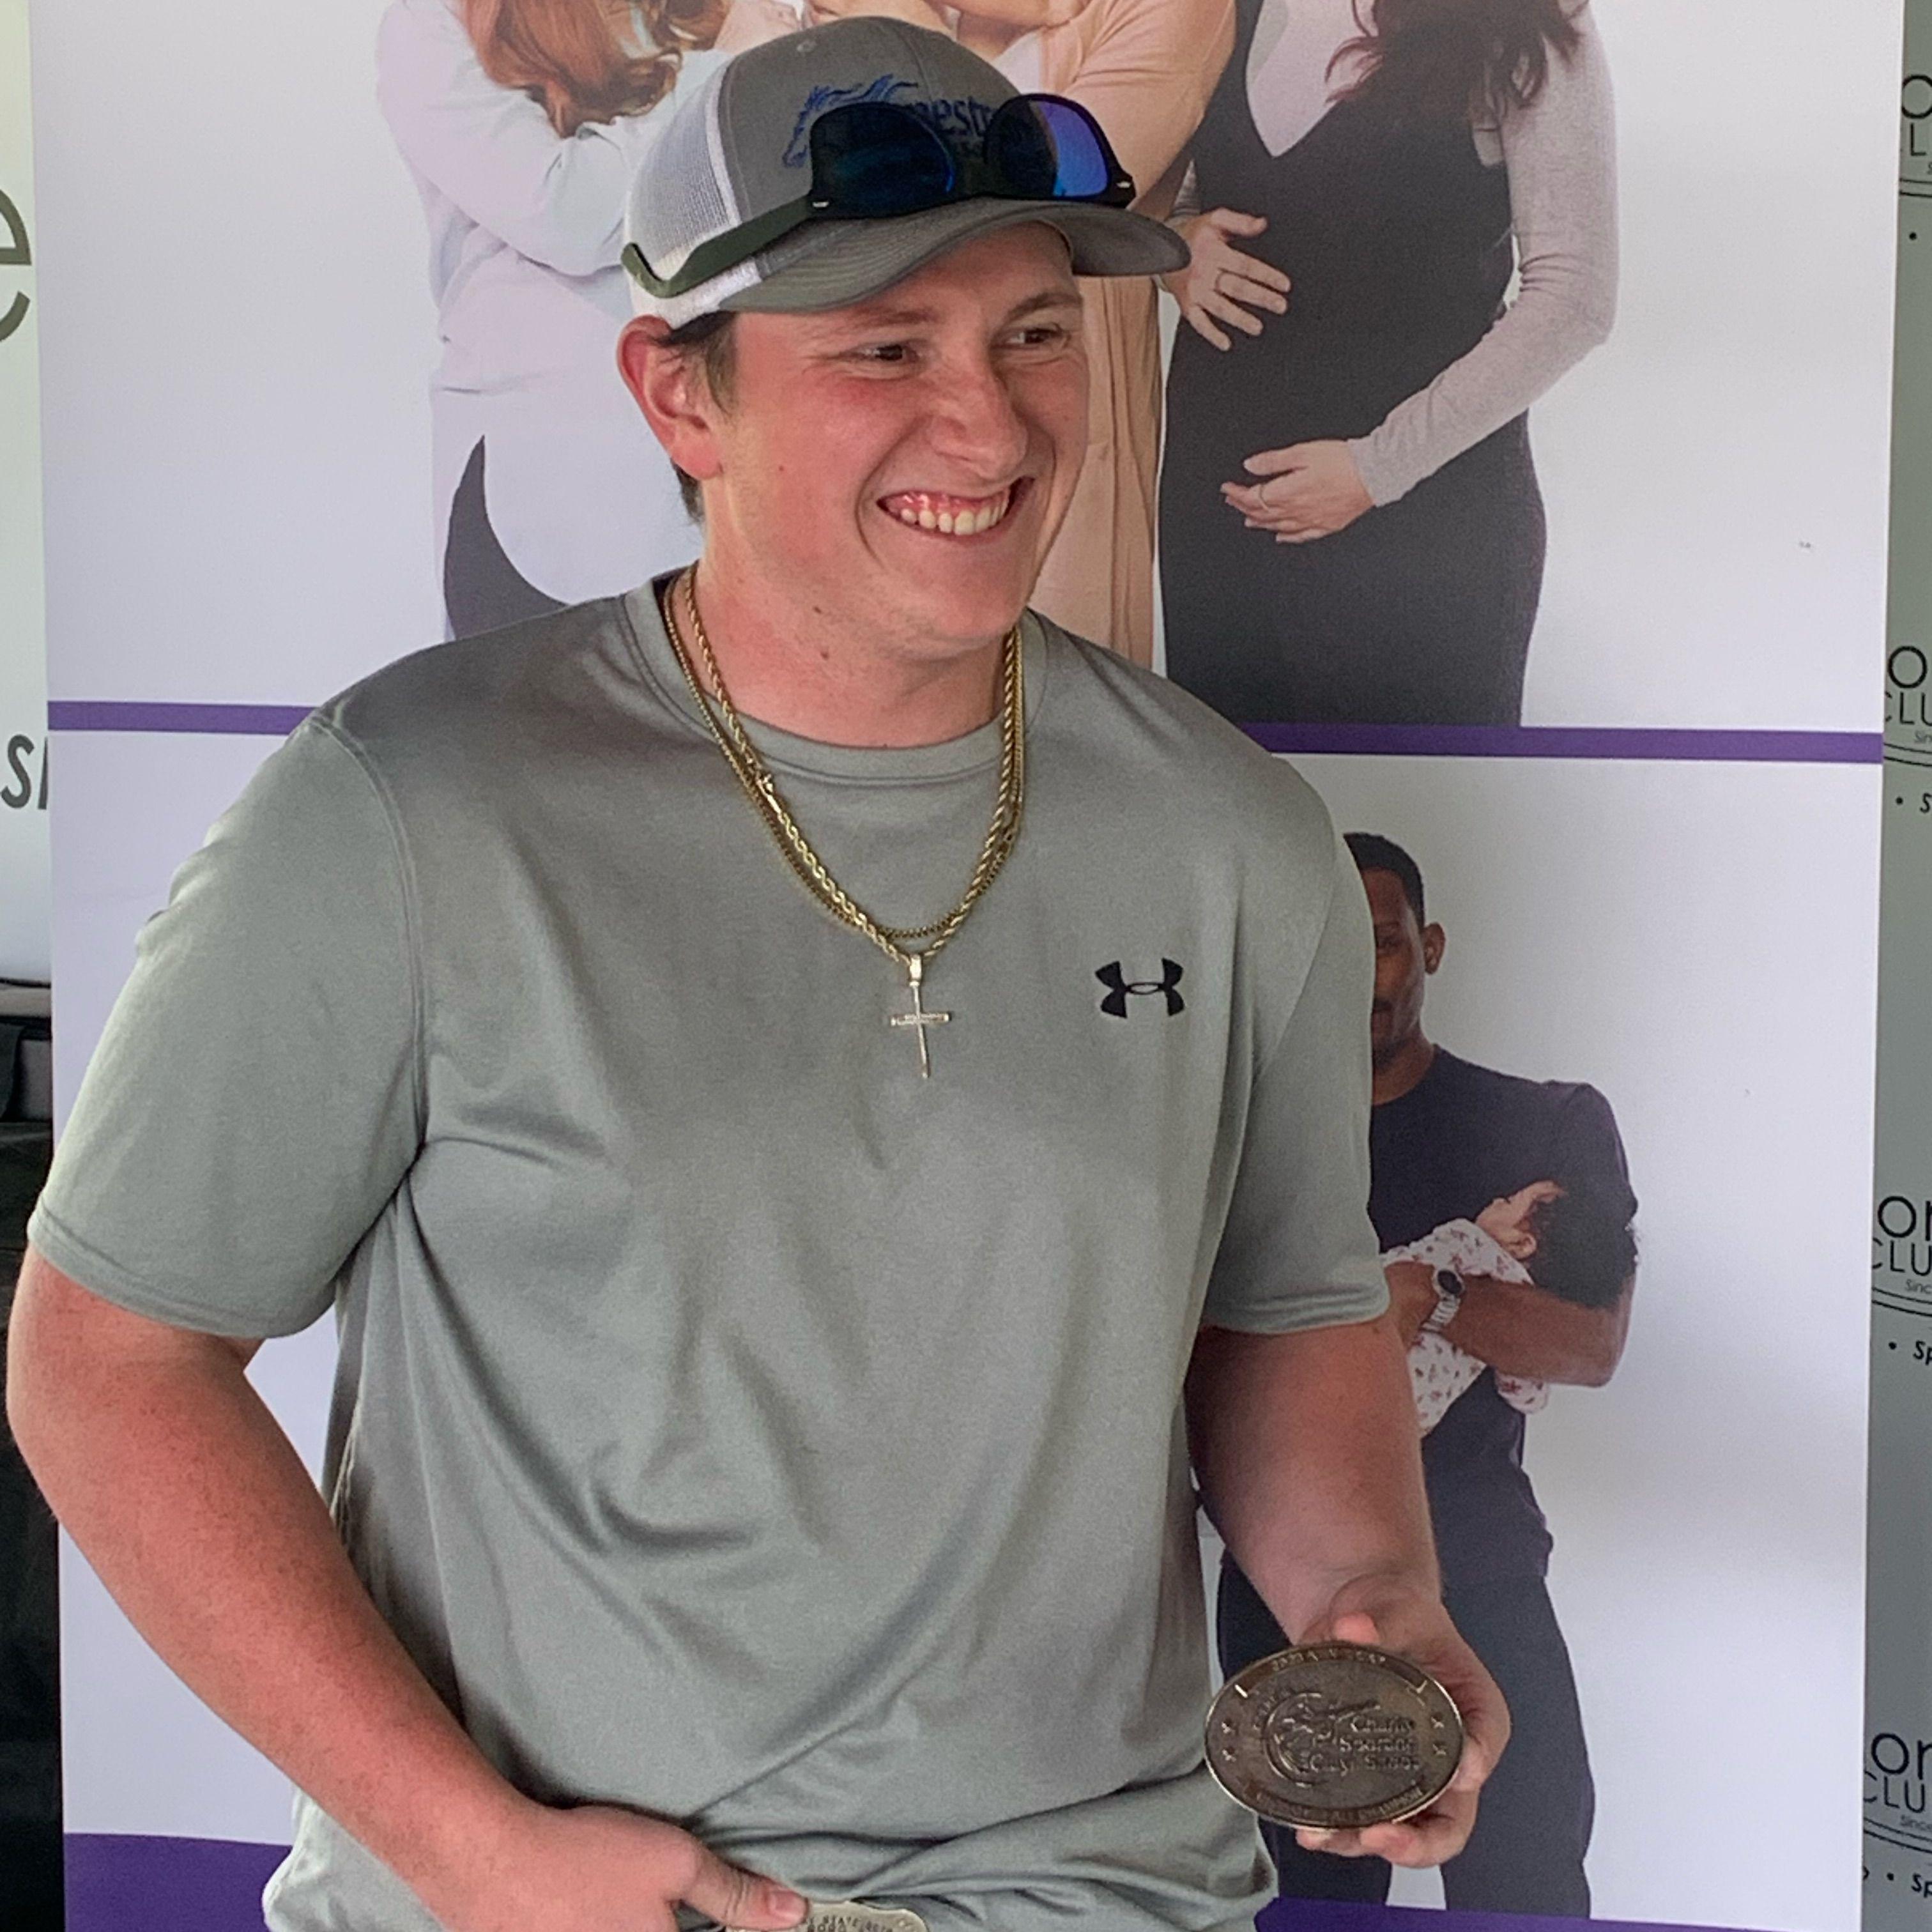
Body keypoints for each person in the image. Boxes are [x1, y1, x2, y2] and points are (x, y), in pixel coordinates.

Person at [8, 26, 1506, 1932]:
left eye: (1035, 334)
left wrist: (1371, 1595)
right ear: (679, 395)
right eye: (885, 349)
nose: (991, 428)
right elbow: (111, 1361)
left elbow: (1282, 1312)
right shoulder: (401, 811)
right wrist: (468, 1850)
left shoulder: (1236, 837)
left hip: (1093, 1893)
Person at [1218, 829, 1637, 1915]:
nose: (1359, 974)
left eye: (1384, 942)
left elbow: (1588, 1345)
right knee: (1302, 1906)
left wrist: (1433, 1293)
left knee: (1525, 1897)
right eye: (1331, 947)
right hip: (1285, 1594)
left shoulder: (1544, 1124)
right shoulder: (1239, 1135)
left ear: (1430, 945)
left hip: (1481, 1569)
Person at [1156, 0, 1618, 725]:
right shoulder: (1217, 9)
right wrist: (1177, 252)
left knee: (1422, 797)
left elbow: (1574, 297)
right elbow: (1174, 195)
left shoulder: (1524, 18)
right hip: (1218, 518)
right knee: (1229, 791)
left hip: (1422, 535)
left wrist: (1376, 469)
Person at [376, 0, 795, 640]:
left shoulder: (710, 11)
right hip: (551, 487)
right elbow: (567, 214)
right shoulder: (434, 22)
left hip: (725, 460)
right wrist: (725, 70)